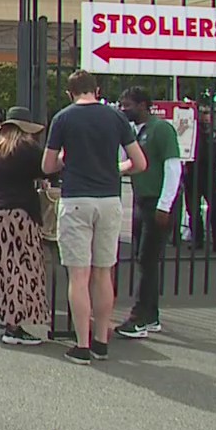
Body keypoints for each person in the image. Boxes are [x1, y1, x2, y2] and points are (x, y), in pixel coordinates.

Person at [42, 70, 148, 365]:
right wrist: (117, 168)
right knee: (103, 272)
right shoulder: (116, 118)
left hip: (76, 199)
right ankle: (101, 340)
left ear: (69, 93)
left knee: (79, 274)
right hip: (109, 200)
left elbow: (48, 165)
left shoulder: (63, 118)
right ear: (97, 90)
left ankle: (81, 343)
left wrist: (67, 157)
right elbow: (139, 162)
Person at [116, 87, 181, 340]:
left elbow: (173, 167)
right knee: (144, 259)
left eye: (128, 105)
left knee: (147, 259)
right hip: (142, 201)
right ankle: (150, 315)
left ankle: (140, 316)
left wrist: (165, 205)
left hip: (157, 202)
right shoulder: (136, 132)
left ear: (143, 105)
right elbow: (131, 164)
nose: (123, 109)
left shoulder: (161, 130)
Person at [0, 106, 49, 346]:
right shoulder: (29, 150)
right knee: (21, 268)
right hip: (20, 212)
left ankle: (1, 317)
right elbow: (46, 170)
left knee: (1, 266)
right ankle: (14, 326)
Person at [184, 103, 216, 252]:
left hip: (211, 178)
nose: (205, 119)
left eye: (207, 115)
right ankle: (197, 239)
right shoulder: (190, 134)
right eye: (202, 115)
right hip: (192, 177)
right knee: (193, 211)